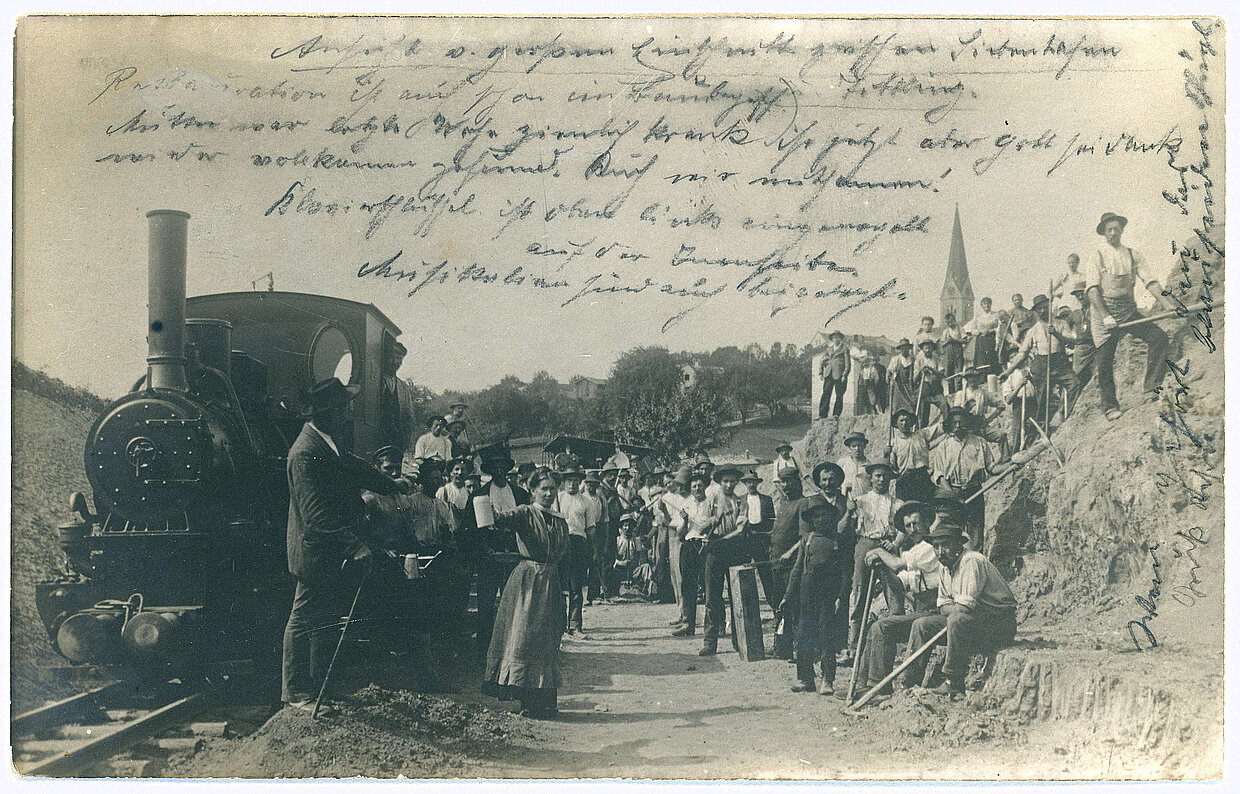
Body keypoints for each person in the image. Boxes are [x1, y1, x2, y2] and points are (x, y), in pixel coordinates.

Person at [281, 378, 400, 712]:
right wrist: (354, 546)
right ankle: (296, 694)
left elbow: (353, 466)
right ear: (327, 413)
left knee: (325, 619)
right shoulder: (304, 454)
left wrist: (391, 484)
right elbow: (316, 518)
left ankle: (322, 689)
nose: (350, 412)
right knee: (304, 619)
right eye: (345, 407)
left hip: (328, 553)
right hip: (315, 551)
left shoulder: (325, 442)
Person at [482, 472, 570, 719]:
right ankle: (528, 701)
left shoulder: (559, 520)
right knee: (526, 636)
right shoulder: (525, 513)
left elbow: (563, 553)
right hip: (528, 582)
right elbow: (499, 519)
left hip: (550, 582)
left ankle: (546, 701)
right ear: (533, 490)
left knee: (547, 638)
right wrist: (486, 508)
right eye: (543, 489)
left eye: (552, 488)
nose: (549, 493)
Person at [902, 518, 1018, 699]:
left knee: (957, 619)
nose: (941, 552)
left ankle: (952, 682)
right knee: (921, 624)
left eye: (946, 546)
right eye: (936, 547)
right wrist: (955, 608)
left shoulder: (971, 561)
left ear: (958, 545)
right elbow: (942, 606)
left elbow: (963, 608)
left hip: (999, 625)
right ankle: (910, 682)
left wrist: (955, 608)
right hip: (974, 620)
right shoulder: (944, 567)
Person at [1085, 212, 1174, 421]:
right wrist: (1106, 315)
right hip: (1103, 314)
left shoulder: (1133, 255)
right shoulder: (1097, 255)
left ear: (1122, 230)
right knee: (1105, 362)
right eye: (1109, 230)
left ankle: (1152, 387)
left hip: (1127, 310)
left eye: (1116, 228)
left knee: (1158, 338)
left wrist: (1167, 304)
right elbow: (1092, 291)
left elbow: (1150, 281)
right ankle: (1110, 407)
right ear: (1104, 233)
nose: (1113, 233)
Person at [856, 502, 945, 696]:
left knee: (883, 627)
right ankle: (865, 684)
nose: (913, 530)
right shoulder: (912, 551)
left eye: (917, 523)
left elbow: (896, 564)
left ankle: (876, 686)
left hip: (938, 611)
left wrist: (879, 553)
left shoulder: (930, 547)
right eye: (908, 526)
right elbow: (898, 584)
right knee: (878, 627)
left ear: (927, 522)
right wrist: (882, 568)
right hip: (923, 610)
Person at [781, 499, 846, 694]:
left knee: (827, 636)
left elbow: (845, 572)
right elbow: (797, 568)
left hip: (828, 594)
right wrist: (787, 595)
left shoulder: (837, 541)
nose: (820, 520)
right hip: (806, 595)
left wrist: (841, 596)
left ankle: (827, 679)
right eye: (816, 516)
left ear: (830, 517)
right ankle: (806, 678)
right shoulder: (806, 539)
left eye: (823, 515)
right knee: (804, 635)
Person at [475, 456, 531, 658]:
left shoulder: (520, 494)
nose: (499, 472)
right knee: (486, 606)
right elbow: (472, 530)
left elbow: (527, 524)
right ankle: (484, 651)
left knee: (515, 604)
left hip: (515, 556)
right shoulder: (480, 495)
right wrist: (483, 548)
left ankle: (513, 649)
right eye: (494, 468)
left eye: (502, 468)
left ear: (507, 470)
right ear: (489, 471)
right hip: (490, 558)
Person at [844, 463, 904, 650]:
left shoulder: (897, 504)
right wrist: (849, 509)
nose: (881, 479)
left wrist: (894, 543)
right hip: (866, 543)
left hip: (887, 545)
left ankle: (897, 640)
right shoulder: (860, 501)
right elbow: (848, 525)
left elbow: (903, 529)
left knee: (894, 590)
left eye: (885, 476)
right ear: (870, 478)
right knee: (860, 591)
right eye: (878, 475)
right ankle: (854, 644)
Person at [1002, 294, 1079, 425]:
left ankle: (1067, 416)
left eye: (1045, 308)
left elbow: (1072, 342)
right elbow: (1022, 353)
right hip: (1042, 364)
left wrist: (1056, 334)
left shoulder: (1061, 324)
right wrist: (1008, 371)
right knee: (1042, 398)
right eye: (1039, 309)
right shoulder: (1034, 330)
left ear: (1050, 307)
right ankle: (1042, 427)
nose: (1043, 311)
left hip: (1060, 363)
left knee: (1074, 384)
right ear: (1036, 312)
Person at [930, 407, 996, 552]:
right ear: (951, 425)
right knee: (953, 532)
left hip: (975, 491)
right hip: (952, 492)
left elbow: (991, 467)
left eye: (961, 422)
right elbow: (939, 475)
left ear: (967, 422)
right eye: (955, 423)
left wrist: (1009, 466)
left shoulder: (979, 443)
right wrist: (952, 495)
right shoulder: (944, 447)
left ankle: (975, 563)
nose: (958, 426)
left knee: (976, 531)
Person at [699, 466, 747, 656]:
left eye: (732, 481)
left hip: (734, 549)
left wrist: (725, 538)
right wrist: (711, 521)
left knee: (737, 596)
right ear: (720, 482)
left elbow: (741, 529)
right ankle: (710, 642)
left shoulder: (740, 501)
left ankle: (739, 641)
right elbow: (701, 528)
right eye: (726, 481)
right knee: (712, 597)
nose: (729, 484)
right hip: (714, 550)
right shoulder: (711, 500)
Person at [769, 470, 811, 659]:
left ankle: (798, 649)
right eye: (782, 482)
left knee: (794, 606)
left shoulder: (803, 503)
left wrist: (790, 553)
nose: (785, 486)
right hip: (776, 563)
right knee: (779, 606)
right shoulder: (783, 504)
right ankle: (782, 648)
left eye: (788, 481)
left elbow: (804, 537)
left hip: (791, 565)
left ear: (797, 482)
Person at [673, 472, 720, 638]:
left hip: (706, 545)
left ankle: (716, 625)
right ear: (690, 489)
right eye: (694, 486)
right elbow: (680, 534)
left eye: (700, 485)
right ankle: (688, 624)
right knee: (688, 585)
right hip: (689, 546)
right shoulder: (686, 505)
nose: (697, 488)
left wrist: (710, 523)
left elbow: (716, 521)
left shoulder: (711, 503)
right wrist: (685, 521)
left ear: (705, 486)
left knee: (710, 586)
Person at [554, 466, 592, 638]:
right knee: (560, 586)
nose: (572, 483)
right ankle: (559, 626)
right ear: (564, 482)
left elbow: (590, 528)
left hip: (578, 543)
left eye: (575, 480)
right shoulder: (558, 498)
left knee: (576, 587)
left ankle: (575, 625)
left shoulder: (585, 501)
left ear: (579, 482)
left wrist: (592, 549)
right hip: (561, 542)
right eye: (569, 480)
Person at [738, 468, 777, 610]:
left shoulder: (767, 500)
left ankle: (776, 611)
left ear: (757, 483)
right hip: (745, 541)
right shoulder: (739, 500)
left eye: (753, 482)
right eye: (748, 482)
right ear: (745, 484)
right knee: (745, 576)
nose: (751, 485)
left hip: (761, 542)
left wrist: (768, 539)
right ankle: (748, 611)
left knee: (767, 578)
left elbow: (771, 521)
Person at [963, 296, 1003, 370]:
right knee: (981, 359)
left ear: (990, 304)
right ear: (981, 306)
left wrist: (991, 330)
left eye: (988, 304)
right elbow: (970, 327)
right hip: (981, 340)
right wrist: (979, 331)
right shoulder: (978, 316)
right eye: (984, 304)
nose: (986, 306)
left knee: (992, 357)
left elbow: (999, 327)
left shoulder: (995, 315)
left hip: (992, 339)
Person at [819, 330, 851, 419]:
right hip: (828, 374)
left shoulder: (845, 349)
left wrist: (845, 374)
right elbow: (822, 361)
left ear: (841, 339)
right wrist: (821, 372)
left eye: (838, 337)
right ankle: (822, 414)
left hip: (839, 375)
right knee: (826, 393)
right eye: (834, 337)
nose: (836, 339)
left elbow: (848, 363)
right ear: (832, 339)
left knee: (839, 395)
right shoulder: (828, 349)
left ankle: (836, 414)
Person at [914, 338, 944, 427]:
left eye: (929, 348)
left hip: (936, 388)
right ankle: (923, 429)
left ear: (933, 349)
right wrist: (921, 372)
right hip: (925, 387)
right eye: (926, 348)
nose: (928, 350)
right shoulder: (919, 361)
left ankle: (946, 426)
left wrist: (931, 369)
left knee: (944, 405)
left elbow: (941, 375)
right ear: (922, 349)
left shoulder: (937, 360)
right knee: (923, 410)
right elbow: (914, 379)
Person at [887, 339, 917, 417]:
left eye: (906, 348)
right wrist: (888, 375)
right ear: (900, 349)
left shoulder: (913, 359)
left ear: (909, 349)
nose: (904, 350)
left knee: (911, 406)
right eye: (902, 348)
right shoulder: (896, 359)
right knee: (897, 406)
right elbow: (889, 370)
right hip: (899, 387)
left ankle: (912, 424)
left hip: (910, 386)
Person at [837, 433, 870, 497]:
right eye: (854, 446)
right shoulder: (842, 463)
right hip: (846, 501)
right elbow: (836, 484)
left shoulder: (870, 465)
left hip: (866, 501)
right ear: (849, 448)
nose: (857, 449)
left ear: (864, 446)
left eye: (860, 445)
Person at [940, 313, 965, 395]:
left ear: (955, 320)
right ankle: (951, 393)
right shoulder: (946, 331)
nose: (950, 324)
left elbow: (965, 341)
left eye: (951, 322)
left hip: (958, 352)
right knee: (949, 372)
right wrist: (948, 341)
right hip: (948, 354)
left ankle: (959, 392)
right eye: (948, 323)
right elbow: (942, 344)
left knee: (958, 372)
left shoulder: (960, 329)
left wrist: (955, 340)